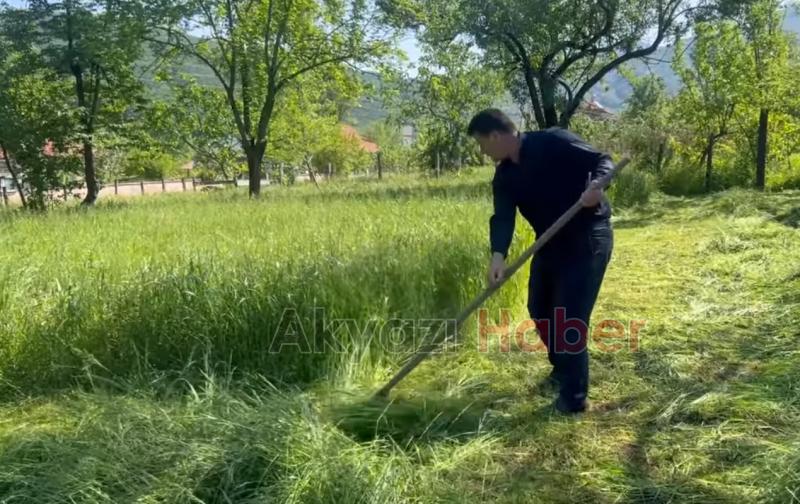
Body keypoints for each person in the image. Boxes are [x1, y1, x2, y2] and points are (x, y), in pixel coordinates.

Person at [467, 108, 614, 414]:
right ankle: (562, 369)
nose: (483, 152)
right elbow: (503, 218)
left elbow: (603, 161)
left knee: (569, 317)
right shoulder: (505, 175)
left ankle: (574, 398)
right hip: (549, 241)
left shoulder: (553, 141)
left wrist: (596, 187)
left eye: (482, 144)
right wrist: (498, 257)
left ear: (495, 136)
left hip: (587, 235)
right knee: (539, 307)